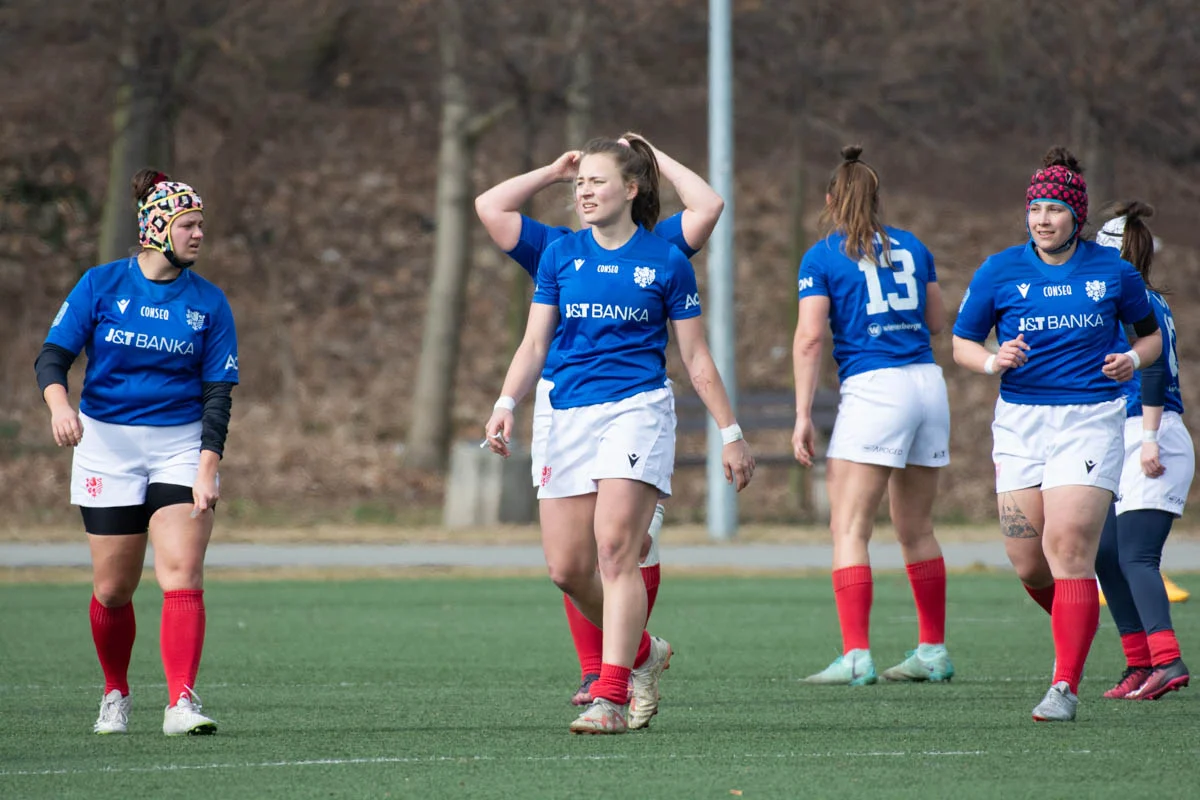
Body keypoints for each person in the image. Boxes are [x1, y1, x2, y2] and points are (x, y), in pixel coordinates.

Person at [482, 137, 754, 734]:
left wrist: (730, 431)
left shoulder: (666, 258)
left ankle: (609, 695)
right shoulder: (559, 254)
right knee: (566, 569)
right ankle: (641, 653)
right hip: (567, 416)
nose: (583, 191)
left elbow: (697, 357)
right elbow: (533, 344)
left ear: (631, 189)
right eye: (579, 184)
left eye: (596, 182)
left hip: (636, 409)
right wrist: (505, 402)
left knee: (614, 551)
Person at [952, 147, 1162, 722]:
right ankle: (1078, 624)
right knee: (1028, 562)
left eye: (1055, 209)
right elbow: (961, 344)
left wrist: (1131, 361)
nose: (1043, 218)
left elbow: (1151, 339)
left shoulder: (1112, 272)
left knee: (1068, 548)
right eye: (1035, 208)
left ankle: (1063, 685)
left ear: (1077, 216)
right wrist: (993, 361)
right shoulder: (999, 270)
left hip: (1090, 420)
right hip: (1021, 424)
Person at [34, 169, 239, 736]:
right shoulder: (102, 285)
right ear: (157, 229)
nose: (200, 235)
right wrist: (59, 407)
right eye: (189, 225)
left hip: (179, 444)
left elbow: (218, 394)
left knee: (182, 573)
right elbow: (52, 357)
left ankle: (181, 702)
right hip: (106, 445)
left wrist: (207, 465)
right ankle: (116, 692)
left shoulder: (210, 303)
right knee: (113, 588)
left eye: (201, 225)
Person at [793, 145, 954, 686]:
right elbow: (936, 321)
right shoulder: (913, 246)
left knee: (849, 526)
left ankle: (856, 654)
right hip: (927, 384)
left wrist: (801, 415)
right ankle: (932, 651)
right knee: (917, 528)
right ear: (878, 199)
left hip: (876, 388)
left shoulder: (822, 256)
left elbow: (812, 337)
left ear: (831, 200)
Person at [1091, 202, 1192, 700]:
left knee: (1136, 556)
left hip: (1151, 431)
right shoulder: (1133, 299)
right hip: (1124, 433)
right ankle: (1139, 663)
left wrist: (1150, 438)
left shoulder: (1134, 301)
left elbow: (1152, 371)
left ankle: (1167, 660)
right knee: (1106, 553)